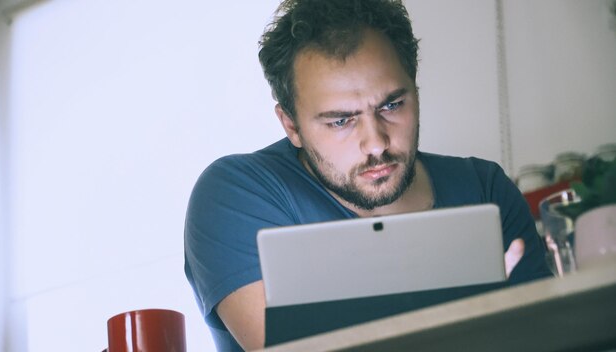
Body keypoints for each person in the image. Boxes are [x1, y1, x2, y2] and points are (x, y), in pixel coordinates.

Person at [184, 0, 552, 350]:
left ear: (416, 92)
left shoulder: (483, 187)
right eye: (341, 121)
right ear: (291, 125)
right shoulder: (237, 196)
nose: (375, 143)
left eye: (392, 105)